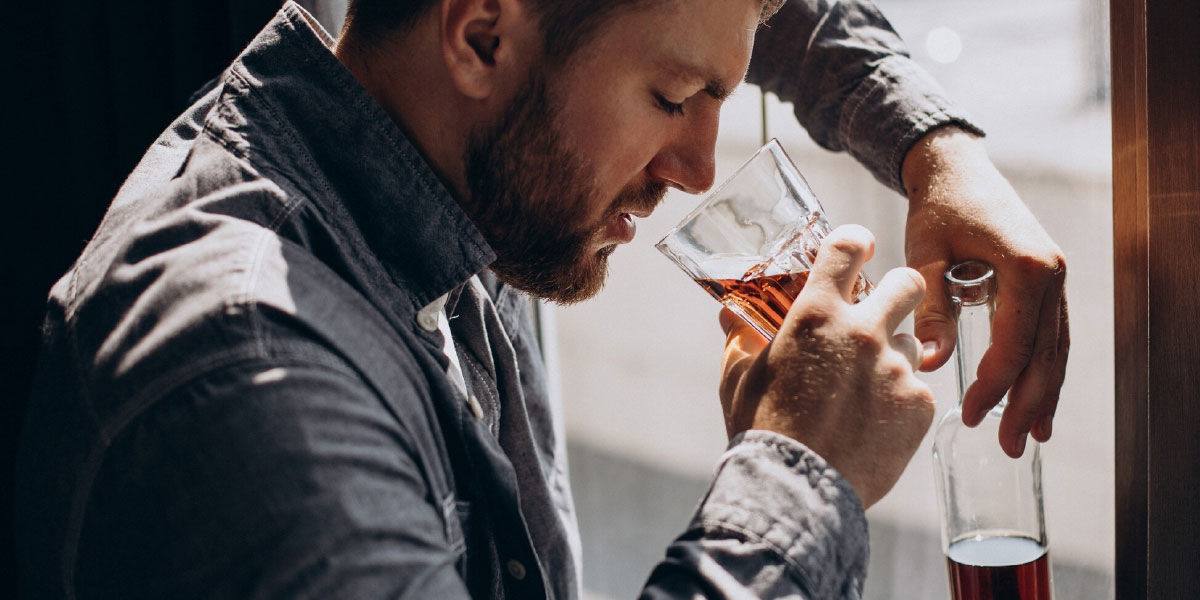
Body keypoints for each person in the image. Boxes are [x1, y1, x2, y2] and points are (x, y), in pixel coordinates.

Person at [15, 0, 1068, 597]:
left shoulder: (439, 139)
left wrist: (934, 147)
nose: (700, 168)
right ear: (479, 36)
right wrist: (797, 481)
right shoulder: (249, 377)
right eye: (671, 99)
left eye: (719, 98)